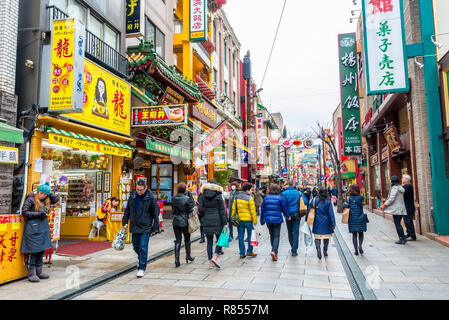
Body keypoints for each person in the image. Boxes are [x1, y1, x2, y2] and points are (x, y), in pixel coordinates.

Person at [21, 182, 60, 282]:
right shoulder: (30, 199)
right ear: (37, 192)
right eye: (40, 193)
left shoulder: (46, 200)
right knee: (33, 252)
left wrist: (49, 191)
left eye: (44, 194)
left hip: (42, 229)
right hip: (32, 229)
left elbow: (56, 199)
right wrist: (38, 214)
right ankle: (31, 274)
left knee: (40, 252)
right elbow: (24, 212)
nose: (42, 195)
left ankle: (39, 272)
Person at [122, 180, 159, 278]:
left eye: (141, 190)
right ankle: (142, 258)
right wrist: (124, 222)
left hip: (145, 226)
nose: (139, 192)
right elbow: (128, 210)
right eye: (137, 189)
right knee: (135, 246)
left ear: (146, 188)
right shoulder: (132, 196)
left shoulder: (150, 197)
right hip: (134, 225)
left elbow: (155, 212)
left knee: (143, 246)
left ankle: (142, 267)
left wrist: (155, 226)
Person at [198, 180, 227, 268]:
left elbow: (200, 209)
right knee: (220, 240)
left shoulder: (202, 196)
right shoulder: (218, 196)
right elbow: (222, 211)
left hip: (207, 220)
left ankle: (211, 262)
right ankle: (215, 256)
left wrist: (204, 217)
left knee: (209, 242)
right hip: (218, 220)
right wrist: (225, 223)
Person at [260, 184, 289, 261]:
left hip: (268, 219)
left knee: (271, 235)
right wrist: (287, 216)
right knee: (277, 236)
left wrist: (261, 220)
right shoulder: (280, 198)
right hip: (277, 219)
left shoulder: (266, 198)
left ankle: (273, 250)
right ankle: (274, 251)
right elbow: (284, 209)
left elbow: (262, 210)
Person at [305, 187, 336, 259]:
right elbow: (331, 213)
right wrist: (333, 223)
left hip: (317, 221)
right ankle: (325, 251)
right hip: (327, 221)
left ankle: (318, 249)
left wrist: (307, 220)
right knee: (326, 237)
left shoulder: (314, 200)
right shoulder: (328, 202)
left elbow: (309, 211)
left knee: (317, 237)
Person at [281, 180, 308, 256]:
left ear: (288, 185)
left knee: (290, 232)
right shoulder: (298, 193)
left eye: (285, 184)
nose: (284, 186)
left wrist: (285, 214)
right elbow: (305, 201)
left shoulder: (284, 193)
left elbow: (282, 204)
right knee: (296, 232)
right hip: (297, 214)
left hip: (288, 214)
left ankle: (292, 246)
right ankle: (294, 250)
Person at [172, 183, 195, 267]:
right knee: (187, 239)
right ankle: (188, 256)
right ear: (185, 189)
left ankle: (177, 259)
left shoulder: (173, 198)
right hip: (185, 221)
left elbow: (173, 210)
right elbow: (190, 210)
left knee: (178, 240)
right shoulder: (187, 198)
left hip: (176, 221)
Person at [232, 183, 258, 258]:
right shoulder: (249, 198)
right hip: (248, 220)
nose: (252, 191)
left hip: (239, 220)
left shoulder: (236, 197)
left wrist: (233, 217)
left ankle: (242, 253)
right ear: (247, 190)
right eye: (251, 190)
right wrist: (255, 221)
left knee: (240, 236)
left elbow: (234, 209)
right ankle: (249, 251)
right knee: (251, 235)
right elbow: (253, 211)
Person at [380, 176, 407, 245]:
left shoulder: (394, 188)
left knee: (397, 224)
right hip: (401, 208)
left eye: (390, 180)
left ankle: (402, 239)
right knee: (398, 224)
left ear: (393, 181)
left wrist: (384, 205)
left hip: (397, 209)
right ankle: (403, 237)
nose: (389, 182)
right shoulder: (400, 187)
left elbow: (391, 198)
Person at [343, 184, 367, 256]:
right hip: (360, 217)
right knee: (361, 233)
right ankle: (360, 246)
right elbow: (362, 205)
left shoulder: (348, 198)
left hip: (352, 218)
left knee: (354, 235)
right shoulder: (361, 197)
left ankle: (356, 250)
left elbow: (344, 206)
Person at [402, 175, 417, 241]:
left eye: (403, 178)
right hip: (406, 207)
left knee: (408, 221)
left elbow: (403, 195)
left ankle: (412, 236)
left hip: (408, 207)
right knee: (406, 221)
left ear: (407, 179)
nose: (402, 179)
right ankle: (409, 234)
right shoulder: (406, 186)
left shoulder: (408, 186)